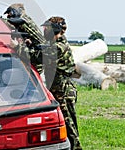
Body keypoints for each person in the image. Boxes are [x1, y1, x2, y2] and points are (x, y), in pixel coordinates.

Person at [41, 17, 82, 150]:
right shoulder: (57, 44)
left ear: (55, 30)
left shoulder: (58, 47)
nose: (44, 30)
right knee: (67, 124)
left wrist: (18, 46)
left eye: (46, 28)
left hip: (63, 91)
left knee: (68, 126)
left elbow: (36, 56)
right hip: (62, 89)